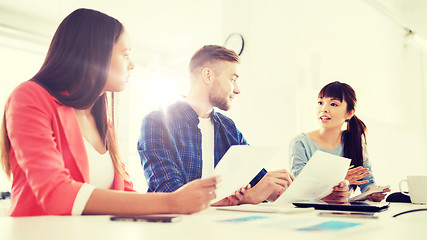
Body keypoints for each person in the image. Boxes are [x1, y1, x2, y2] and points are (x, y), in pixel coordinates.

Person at [0, 8, 219, 217]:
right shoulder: (29, 97)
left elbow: (124, 193)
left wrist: (195, 203)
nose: (132, 64)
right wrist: (171, 202)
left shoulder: (102, 119)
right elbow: (55, 193)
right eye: (125, 54)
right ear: (95, 54)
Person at [138, 45, 348, 205]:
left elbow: (260, 180)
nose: (237, 89)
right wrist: (241, 199)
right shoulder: (157, 122)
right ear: (208, 75)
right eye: (233, 79)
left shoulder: (228, 129)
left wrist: (323, 194)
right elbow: (171, 195)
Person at [289, 81, 390, 202]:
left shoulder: (355, 142)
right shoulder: (301, 143)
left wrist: (373, 192)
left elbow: (366, 181)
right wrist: (340, 178)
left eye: (333, 104)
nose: (324, 109)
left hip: (343, 212)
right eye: (320, 103)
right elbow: (300, 189)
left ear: (349, 113)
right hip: (311, 212)